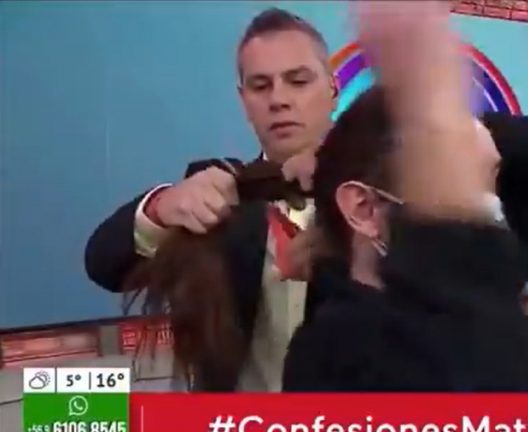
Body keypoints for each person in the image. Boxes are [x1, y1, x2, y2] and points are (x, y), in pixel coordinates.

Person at [281, 2, 528, 391]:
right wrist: (435, 120)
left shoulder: (478, 278)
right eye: (452, 183)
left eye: (485, 184)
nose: (485, 209)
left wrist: (457, 128)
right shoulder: (340, 355)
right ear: (364, 209)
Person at [84, 8, 338, 392]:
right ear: (243, 100)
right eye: (260, 86)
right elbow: (103, 264)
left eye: (298, 81)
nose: (279, 99)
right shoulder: (219, 196)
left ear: (332, 88)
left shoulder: (388, 191)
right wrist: (160, 209)